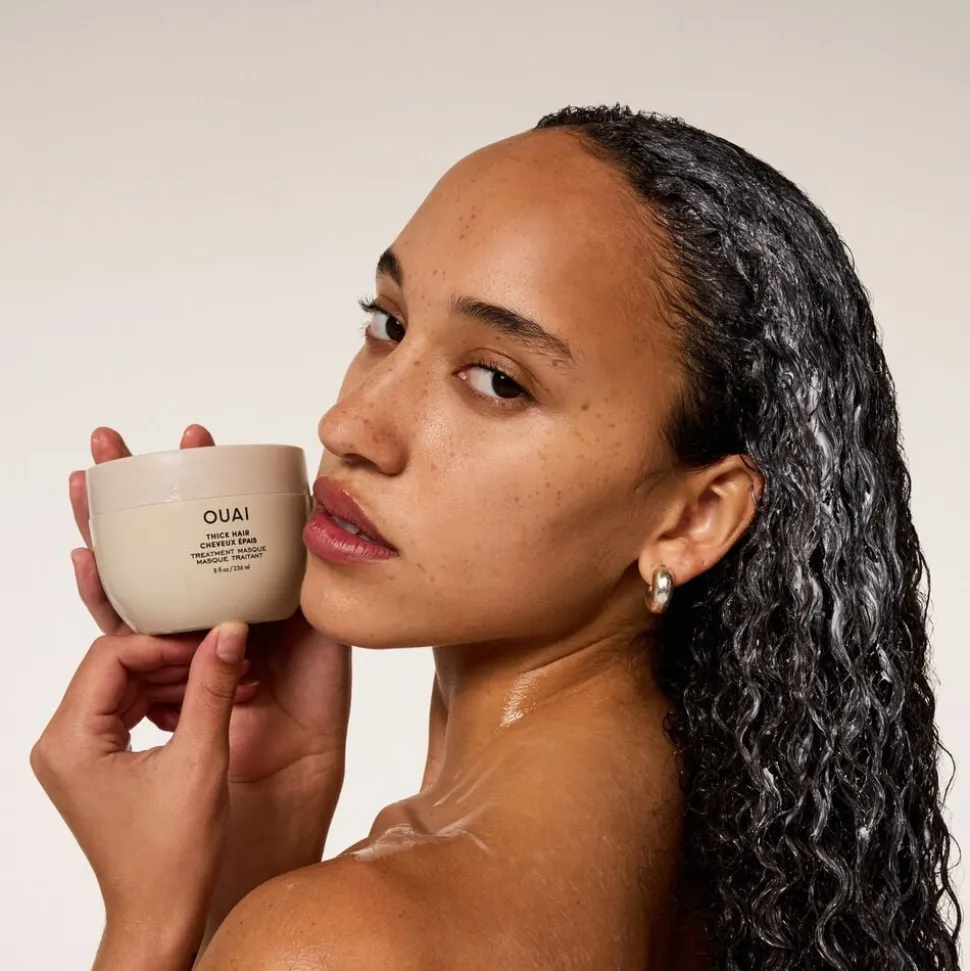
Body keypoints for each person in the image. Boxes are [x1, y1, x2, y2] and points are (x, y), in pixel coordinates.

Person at [31, 105, 962, 971]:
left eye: (498, 381)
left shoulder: (341, 942)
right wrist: (254, 844)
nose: (349, 424)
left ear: (692, 518)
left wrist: (150, 923)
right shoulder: (755, 882)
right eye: (389, 323)